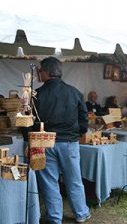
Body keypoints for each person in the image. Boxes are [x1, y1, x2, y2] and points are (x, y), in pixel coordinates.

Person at [34, 57, 91, 223]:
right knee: (74, 179)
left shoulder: (37, 94)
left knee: (49, 181)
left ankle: (55, 217)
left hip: (45, 142)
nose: (40, 74)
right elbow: (83, 118)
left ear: (46, 72)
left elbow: (30, 121)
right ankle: (81, 213)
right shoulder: (74, 92)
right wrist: (77, 134)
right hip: (69, 143)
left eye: (41, 71)